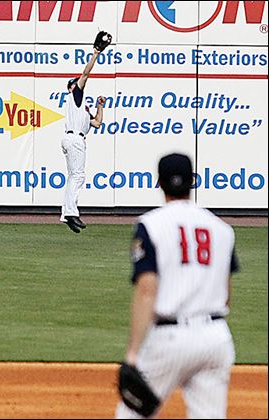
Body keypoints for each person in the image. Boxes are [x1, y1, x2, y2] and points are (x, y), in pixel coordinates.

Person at [116, 152, 239, 419]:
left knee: (131, 414)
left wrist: (133, 353)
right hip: (216, 337)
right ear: (192, 182)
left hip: (170, 339)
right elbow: (227, 296)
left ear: (159, 183)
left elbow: (147, 289)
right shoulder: (222, 229)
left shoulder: (150, 225)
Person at [60, 31, 112, 233]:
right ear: (71, 88)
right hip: (74, 140)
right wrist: (96, 53)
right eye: (76, 83)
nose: (79, 83)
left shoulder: (81, 108)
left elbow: (98, 123)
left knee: (74, 176)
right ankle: (71, 213)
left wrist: (100, 106)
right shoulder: (75, 95)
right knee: (78, 176)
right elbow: (85, 74)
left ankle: (67, 214)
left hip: (72, 138)